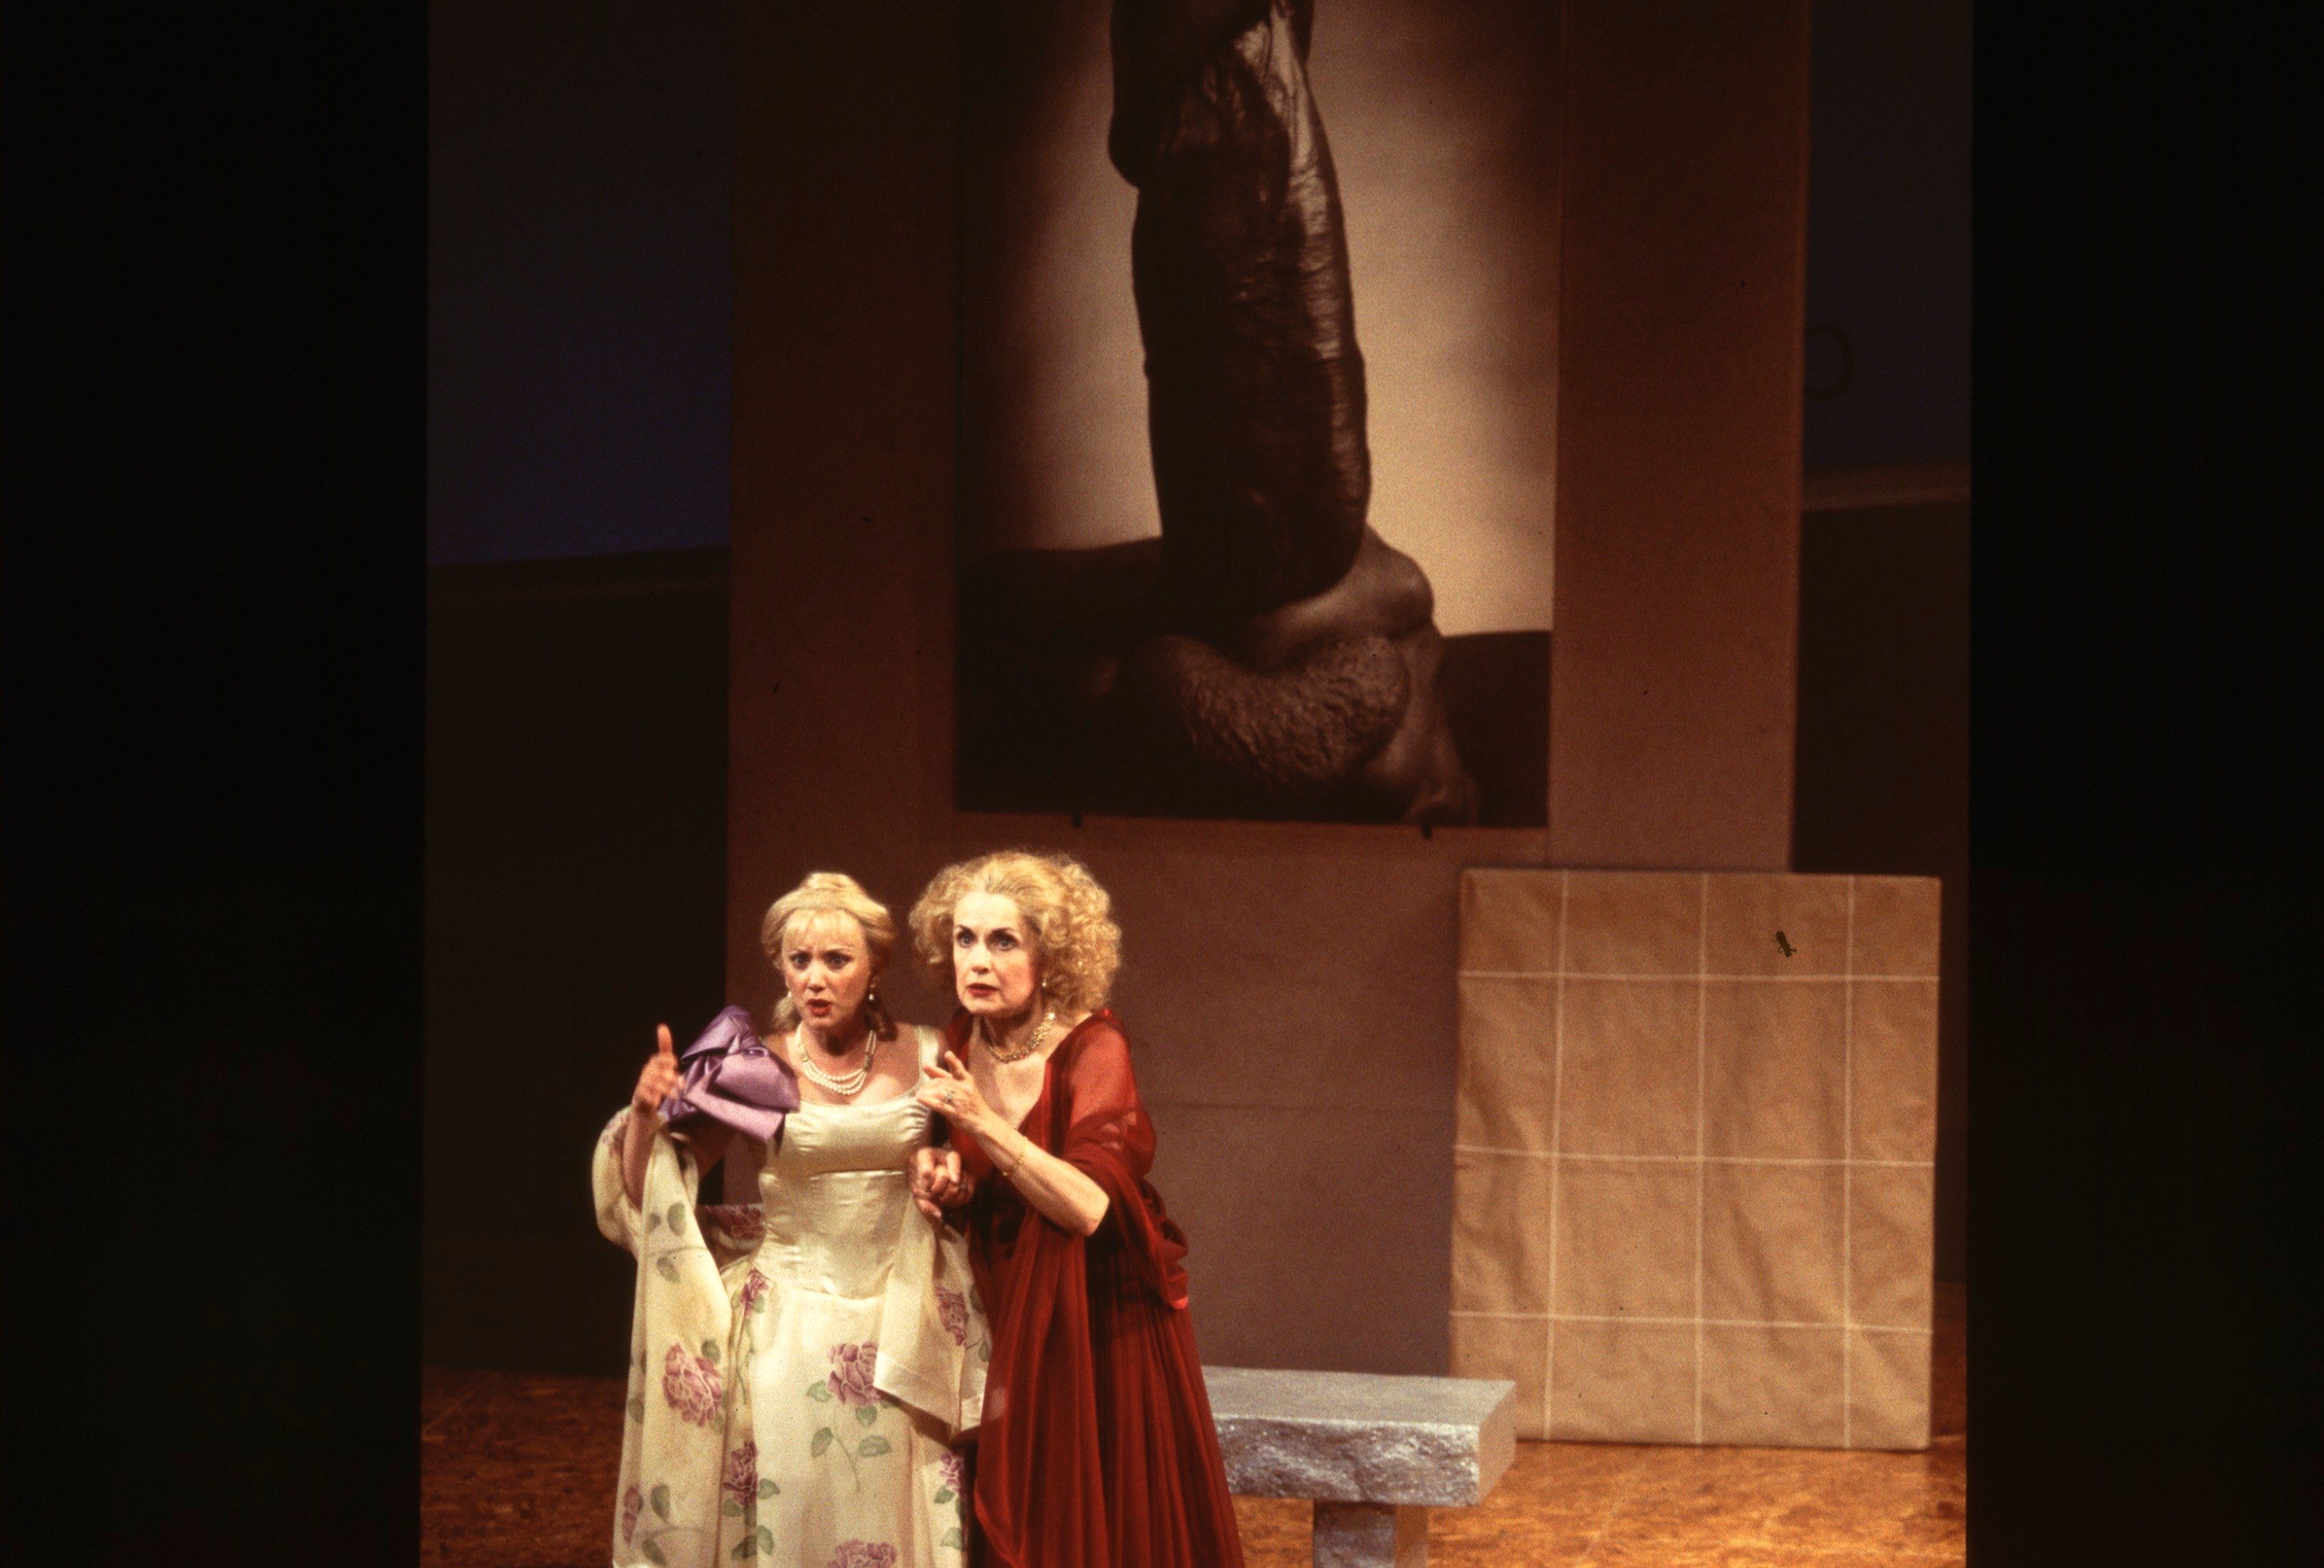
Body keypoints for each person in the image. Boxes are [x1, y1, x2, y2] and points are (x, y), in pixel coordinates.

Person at [592, 872, 988, 1568]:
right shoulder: (756, 1067)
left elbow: (971, 1165)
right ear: (780, 965)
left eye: (836, 959)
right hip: (788, 1329)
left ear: (875, 967)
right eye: (799, 959)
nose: (815, 977)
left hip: (904, 1322)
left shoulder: (931, 1051)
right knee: (797, 1506)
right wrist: (647, 1115)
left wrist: (951, 1175)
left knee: (889, 1507)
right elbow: (654, 1190)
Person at [904, 850, 1244, 1568]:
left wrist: (983, 1124)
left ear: (1050, 955)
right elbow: (978, 1169)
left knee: (1088, 1525)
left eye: (1003, 941)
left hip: (1096, 1322)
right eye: (964, 938)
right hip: (1007, 1306)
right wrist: (945, 1173)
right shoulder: (965, 1036)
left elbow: (1089, 1205)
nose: (978, 960)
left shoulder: (1094, 1047)